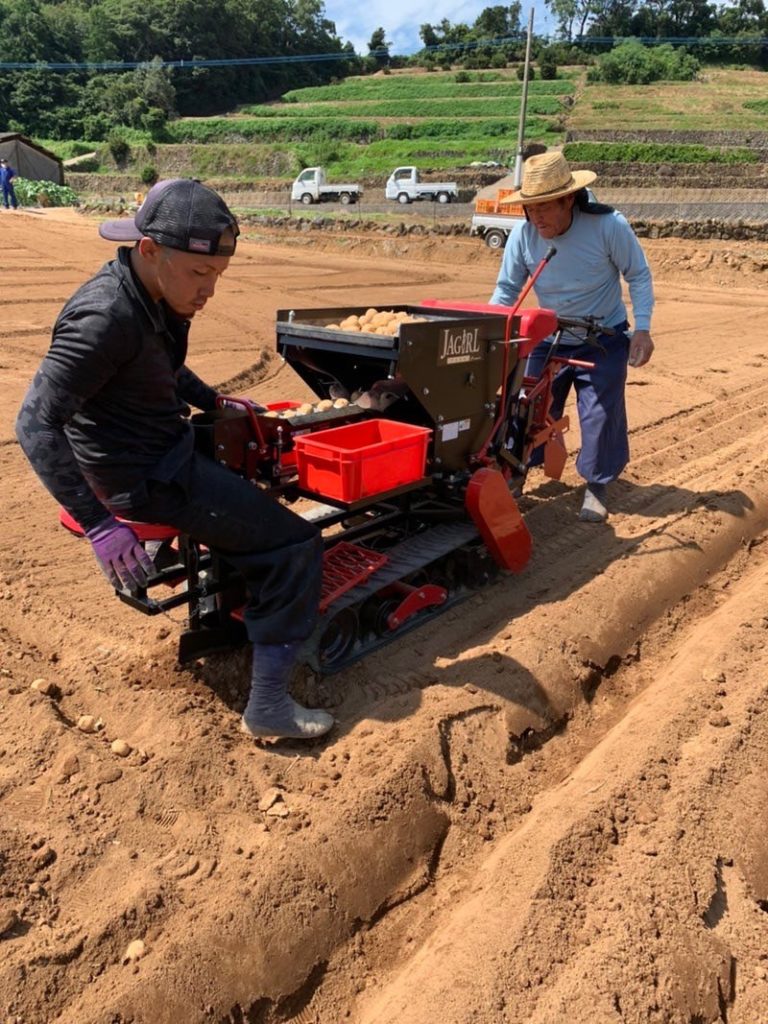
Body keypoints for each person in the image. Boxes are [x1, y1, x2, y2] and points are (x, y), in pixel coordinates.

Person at [15, 178, 333, 742]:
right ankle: (269, 707)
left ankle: (238, 605)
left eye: (217, 275)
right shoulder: (104, 319)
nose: (209, 290)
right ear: (150, 250)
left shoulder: (150, 295)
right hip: (143, 474)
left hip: (161, 448)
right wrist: (100, 524)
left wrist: (213, 400)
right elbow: (34, 424)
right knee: (296, 545)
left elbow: (159, 361)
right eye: (198, 272)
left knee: (243, 477)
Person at [490, 151, 655, 522]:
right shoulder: (523, 235)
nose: (537, 217)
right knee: (525, 407)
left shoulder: (608, 226)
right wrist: (491, 331)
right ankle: (518, 475)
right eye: (530, 208)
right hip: (549, 335)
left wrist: (642, 327)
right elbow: (506, 291)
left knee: (599, 411)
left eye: (545, 207)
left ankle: (596, 485)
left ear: (569, 199)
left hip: (603, 334)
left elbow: (639, 275)